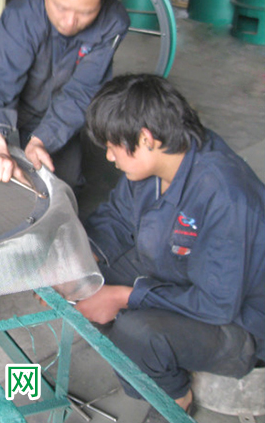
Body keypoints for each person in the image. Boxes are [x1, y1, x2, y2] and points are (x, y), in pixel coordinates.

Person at [77, 74, 265, 419]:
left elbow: (218, 303)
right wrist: (80, 262)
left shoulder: (225, 193)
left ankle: (175, 397)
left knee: (137, 332)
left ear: (145, 138)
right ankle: (150, 357)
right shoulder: (160, 163)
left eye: (113, 146)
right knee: (85, 282)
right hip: (183, 272)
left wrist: (125, 297)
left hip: (239, 321)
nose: (109, 156)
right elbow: (117, 218)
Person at [0, 0, 130, 190]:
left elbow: (83, 90)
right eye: (61, 7)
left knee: (62, 183)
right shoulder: (22, 15)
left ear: (102, 3)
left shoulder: (112, 23)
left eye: (85, 13)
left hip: (55, 103)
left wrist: (42, 139)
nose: (69, 22)